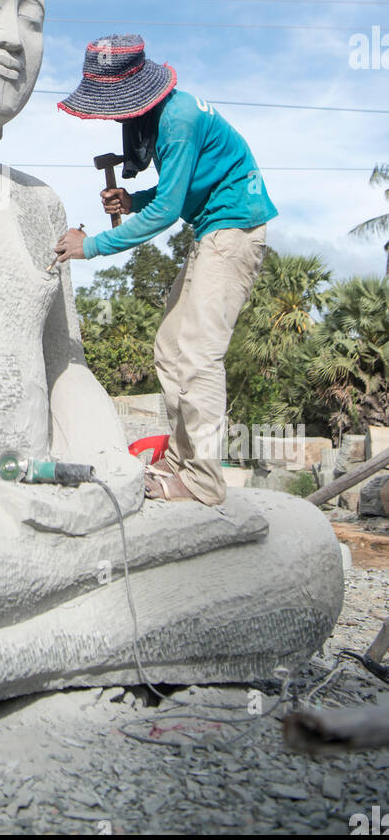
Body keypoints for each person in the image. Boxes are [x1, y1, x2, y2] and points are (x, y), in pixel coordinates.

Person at [52, 34, 278, 507]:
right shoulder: (164, 116)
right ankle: (178, 463)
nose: (114, 114)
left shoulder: (178, 120)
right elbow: (182, 188)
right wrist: (132, 200)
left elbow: (168, 211)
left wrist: (89, 245)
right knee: (171, 345)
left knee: (197, 355)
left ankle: (202, 483)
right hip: (211, 230)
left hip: (233, 231)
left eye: (115, 104)